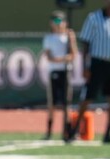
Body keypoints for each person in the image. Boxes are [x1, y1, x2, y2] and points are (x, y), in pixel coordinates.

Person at [65, 0, 110, 145]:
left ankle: (108, 133)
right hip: (97, 63)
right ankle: (74, 131)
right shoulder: (93, 18)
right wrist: (85, 67)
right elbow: (86, 43)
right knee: (88, 98)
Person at [40, 11, 77, 140]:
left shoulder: (68, 37)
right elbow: (49, 57)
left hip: (65, 72)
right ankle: (49, 131)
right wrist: (63, 59)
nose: (58, 24)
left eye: (60, 21)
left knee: (67, 103)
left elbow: (73, 55)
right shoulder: (49, 38)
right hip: (54, 72)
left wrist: (71, 40)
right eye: (55, 21)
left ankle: (67, 131)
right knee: (52, 103)